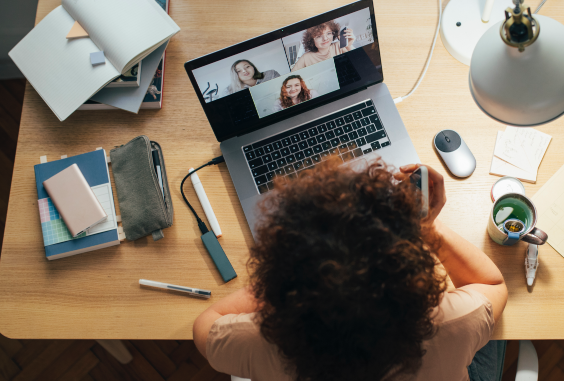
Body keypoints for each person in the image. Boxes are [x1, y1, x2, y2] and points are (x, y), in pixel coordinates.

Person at [193, 158, 509, 381]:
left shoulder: (258, 342)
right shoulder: (452, 323)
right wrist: (427, 228)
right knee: (500, 332)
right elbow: (493, 285)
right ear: (412, 280)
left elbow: (204, 325)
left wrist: (281, 280)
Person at [291, 20, 355, 71]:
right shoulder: (305, 58)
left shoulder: (339, 46)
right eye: (318, 36)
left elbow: (358, 64)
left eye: (328, 33)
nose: (325, 38)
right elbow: (291, 77)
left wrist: (349, 46)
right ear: (311, 41)